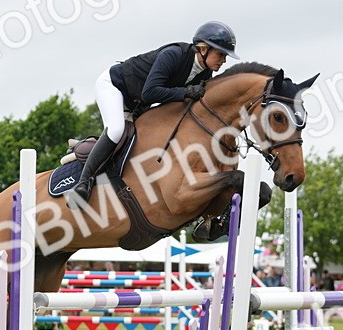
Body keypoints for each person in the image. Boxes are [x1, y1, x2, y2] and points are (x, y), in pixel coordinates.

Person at [68, 21, 239, 207]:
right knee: (116, 130)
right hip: (115, 87)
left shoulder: (205, 74)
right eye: (221, 54)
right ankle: (83, 183)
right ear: (203, 48)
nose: (223, 60)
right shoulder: (173, 55)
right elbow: (149, 92)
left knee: (140, 142)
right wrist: (186, 92)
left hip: (138, 104)